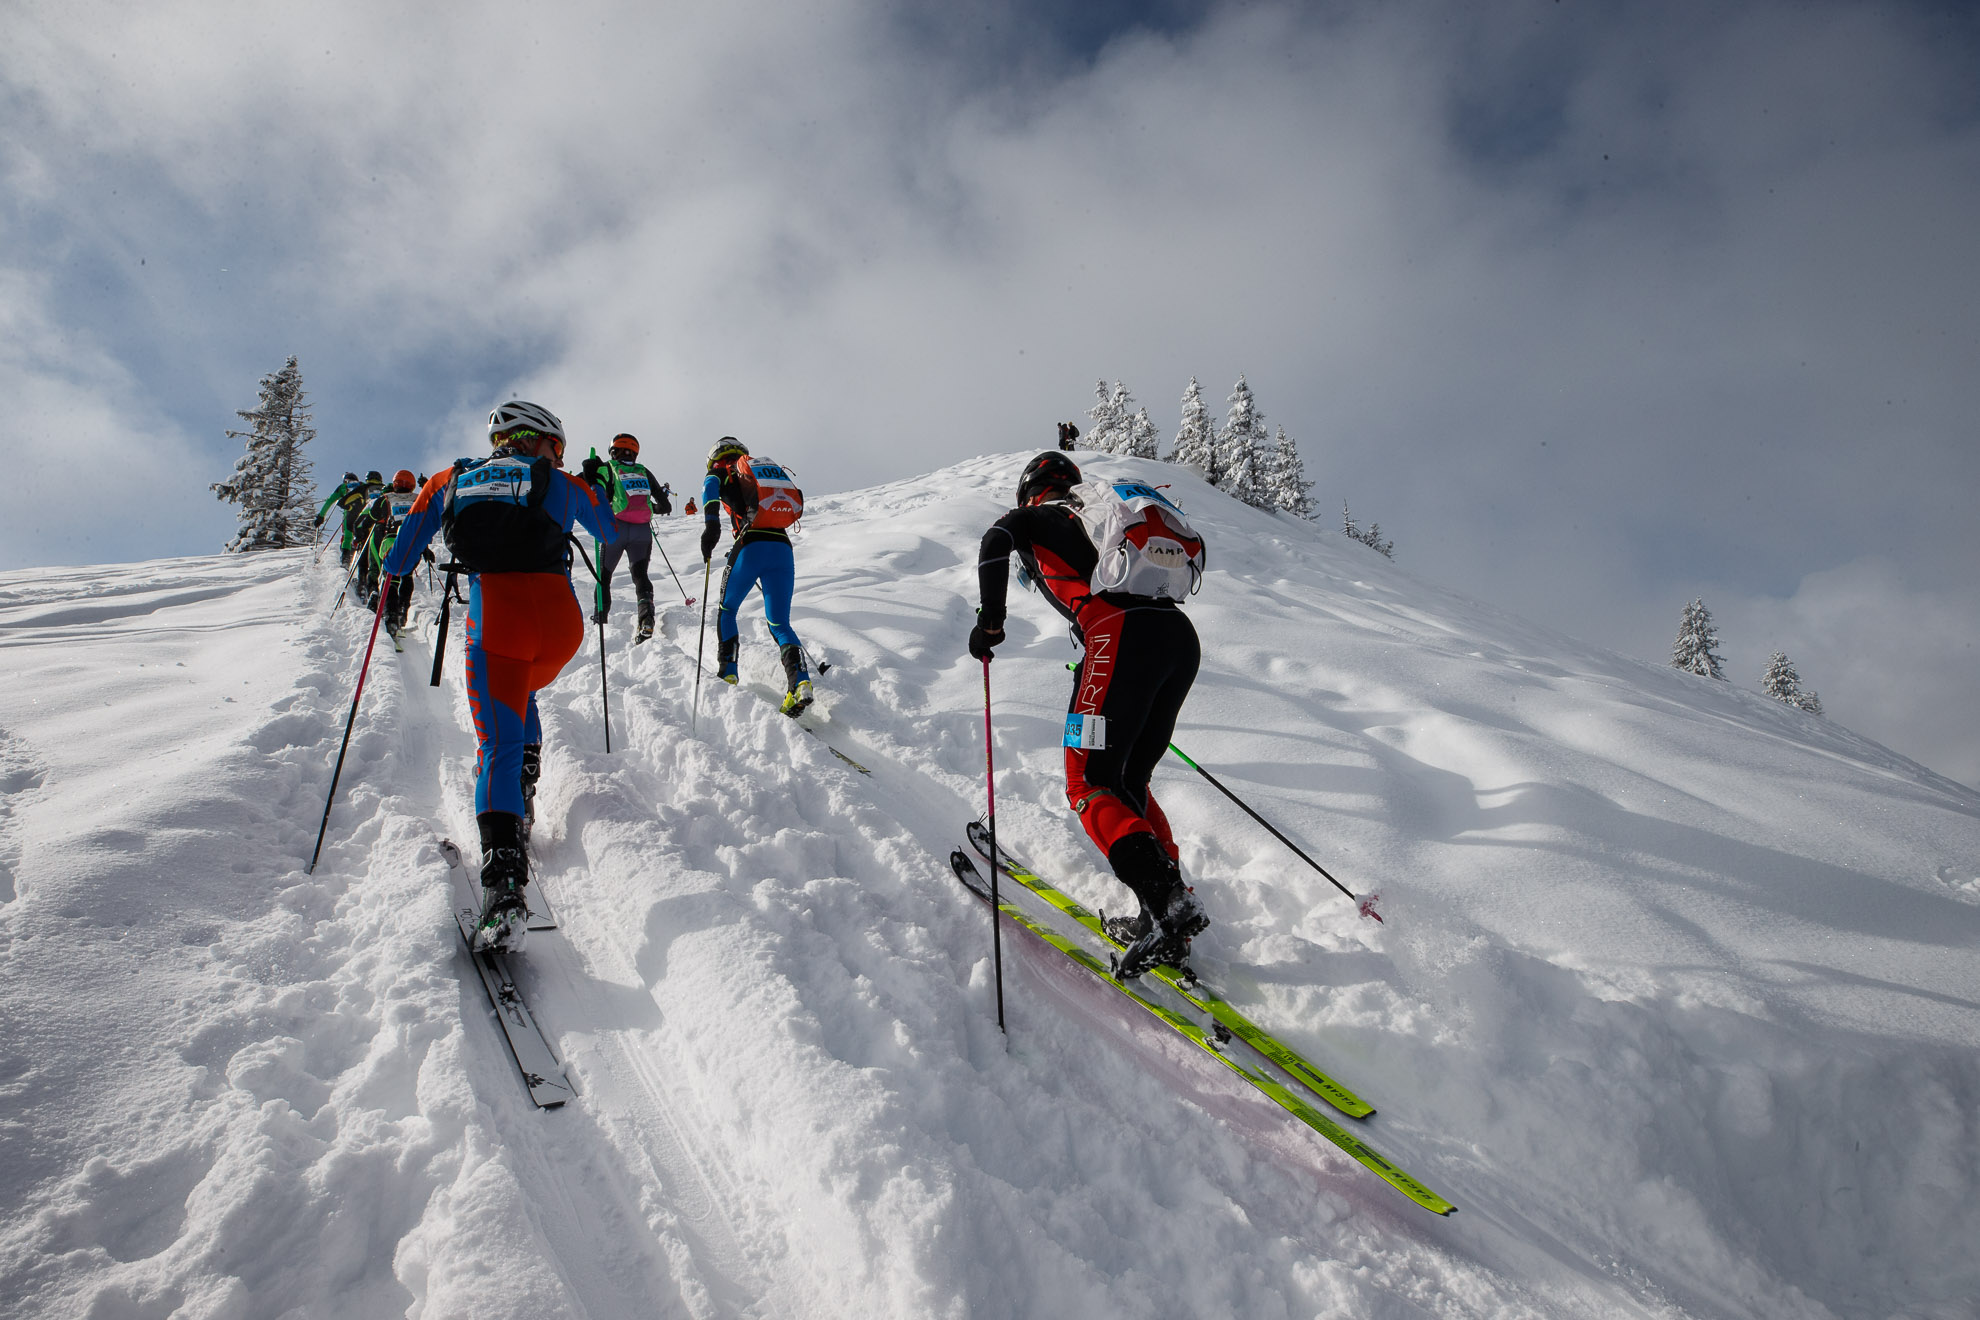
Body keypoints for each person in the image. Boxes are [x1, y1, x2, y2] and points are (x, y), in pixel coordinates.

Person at [381, 401, 614, 950]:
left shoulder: (450, 479)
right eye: (555, 447)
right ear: (540, 442)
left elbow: (398, 559)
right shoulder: (558, 482)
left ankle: (505, 889)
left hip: (498, 620)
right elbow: (610, 526)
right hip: (561, 626)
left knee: (495, 745)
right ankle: (526, 781)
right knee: (524, 688)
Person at [970, 451, 1208, 979]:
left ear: (1028, 491)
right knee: (1129, 780)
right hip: (1177, 639)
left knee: (1088, 782)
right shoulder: (1097, 517)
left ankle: (1167, 905)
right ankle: (1166, 908)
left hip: (1118, 633)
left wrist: (990, 623)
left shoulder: (1039, 516)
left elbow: (993, 543)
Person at [699, 438, 812, 715]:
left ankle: (728, 673)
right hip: (782, 548)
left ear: (715, 458)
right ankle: (800, 683)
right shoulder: (760, 471)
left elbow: (709, 490)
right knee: (779, 622)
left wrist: (711, 524)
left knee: (726, 610)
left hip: (750, 545)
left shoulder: (722, 471)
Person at [578, 433, 660, 642]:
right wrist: (652, 509)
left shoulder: (607, 467)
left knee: (603, 576)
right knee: (640, 575)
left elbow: (581, 484)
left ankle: (600, 619)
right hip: (642, 531)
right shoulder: (643, 472)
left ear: (612, 450)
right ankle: (646, 619)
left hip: (615, 528)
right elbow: (665, 505)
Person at [360, 470, 424, 636]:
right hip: (412, 543)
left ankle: (391, 617)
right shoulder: (418, 499)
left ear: (395, 483)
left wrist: (360, 530)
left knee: (391, 578)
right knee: (407, 575)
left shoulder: (385, 499)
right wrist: (425, 548)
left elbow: (371, 518)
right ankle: (403, 608)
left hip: (390, 540)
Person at [315, 472, 372, 567]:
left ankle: (345, 561)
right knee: (362, 536)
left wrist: (321, 516)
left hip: (349, 513)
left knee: (347, 536)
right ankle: (362, 560)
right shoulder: (362, 485)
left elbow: (330, 501)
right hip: (363, 514)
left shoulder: (343, 487)